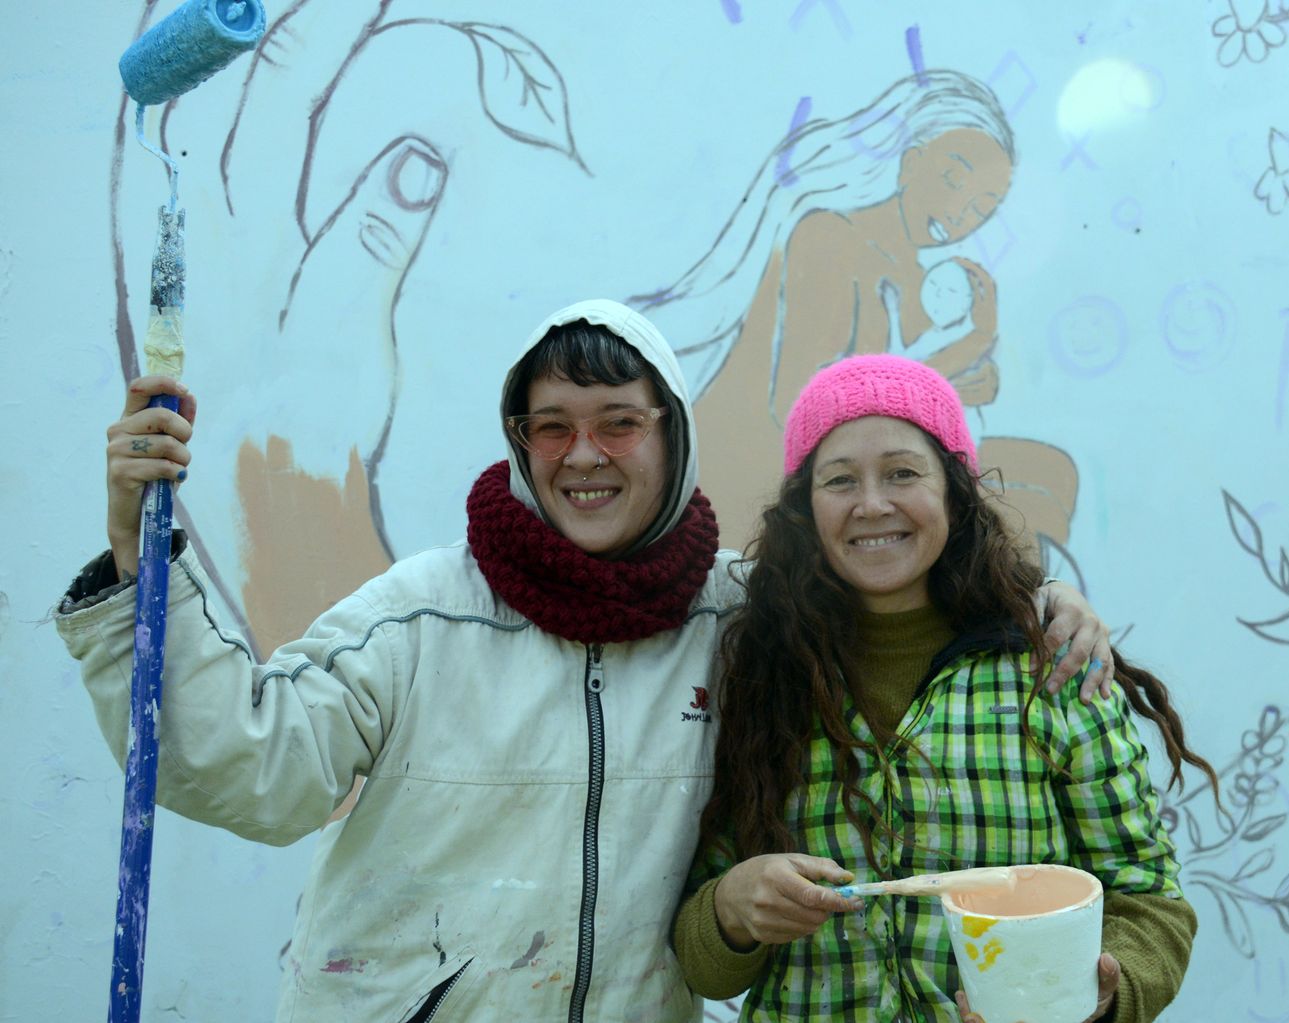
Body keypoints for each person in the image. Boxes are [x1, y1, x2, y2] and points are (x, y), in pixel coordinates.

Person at [55, 302, 1112, 1021]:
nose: (585, 455)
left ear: (673, 436)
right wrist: (135, 561)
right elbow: (246, 769)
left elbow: (901, 598)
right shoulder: (429, 613)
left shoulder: (742, 614)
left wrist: (1038, 607)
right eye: (551, 427)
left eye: (618, 422)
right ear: (520, 442)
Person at [672, 354, 1219, 1022]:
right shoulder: (762, 677)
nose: (873, 504)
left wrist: (1106, 990)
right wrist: (731, 907)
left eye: (903, 472)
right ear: (805, 508)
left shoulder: (1052, 664)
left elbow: (1147, 895)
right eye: (840, 479)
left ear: (954, 492)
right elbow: (701, 959)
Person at [632, 71, 1078, 555]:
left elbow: (911, 388)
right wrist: (957, 364)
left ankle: (1033, 613)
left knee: (1053, 473)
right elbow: (799, 402)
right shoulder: (829, 237)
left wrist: (974, 362)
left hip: (870, 476)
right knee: (1025, 491)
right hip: (783, 491)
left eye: (982, 207)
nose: (959, 213)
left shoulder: (913, 271)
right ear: (909, 165)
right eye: (952, 180)